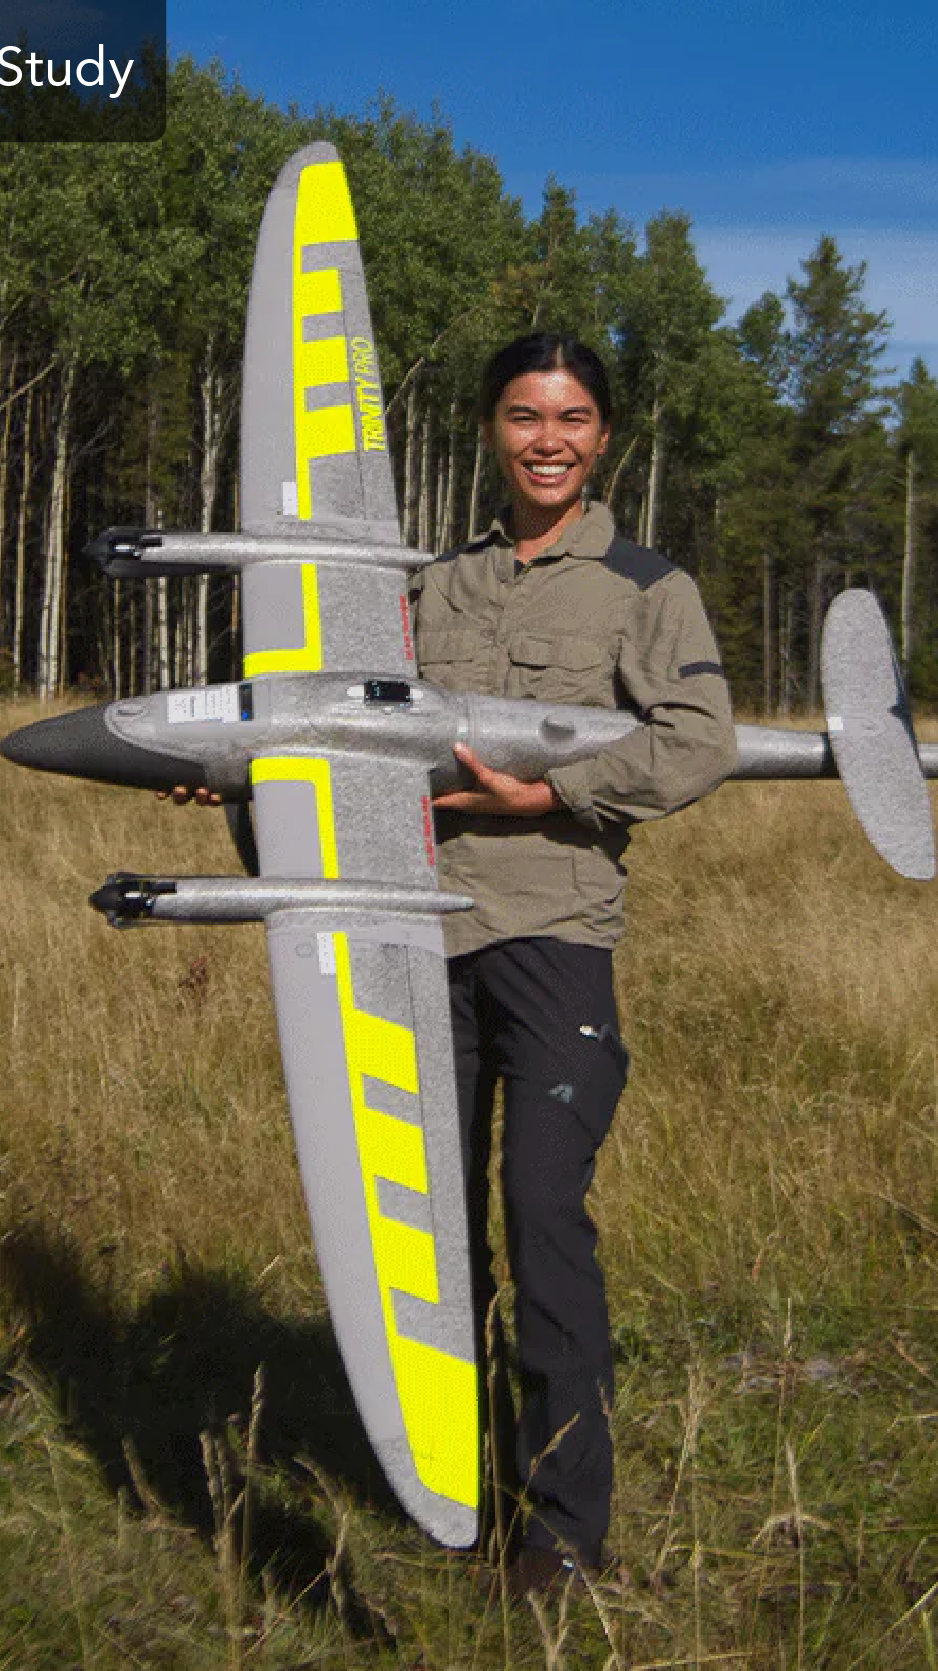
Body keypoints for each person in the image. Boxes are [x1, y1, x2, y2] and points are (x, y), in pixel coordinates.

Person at [413, 333, 738, 1593]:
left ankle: (560, 1541)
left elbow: (696, 743)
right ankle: (458, 1492)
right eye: (522, 415)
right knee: (437, 1237)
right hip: (420, 928)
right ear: (491, 430)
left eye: (573, 419)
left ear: (606, 438)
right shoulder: (434, 584)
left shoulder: (647, 588)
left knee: (543, 1216)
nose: (547, 439)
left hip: (553, 935)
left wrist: (544, 794)